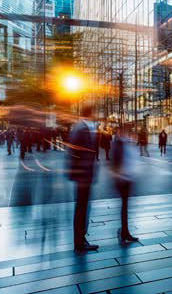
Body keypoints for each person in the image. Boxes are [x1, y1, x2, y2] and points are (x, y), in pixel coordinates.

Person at [67, 106, 100, 251]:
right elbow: (75, 152)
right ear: (90, 113)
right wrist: (81, 172)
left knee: (82, 207)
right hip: (83, 175)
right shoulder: (82, 128)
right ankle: (79, 242)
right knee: (81, 208)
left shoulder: (80, 126)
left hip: (83, 174)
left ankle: (80, 240)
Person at [110, 128, 139, 244]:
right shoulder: (120, 144)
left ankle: (125, 232)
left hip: (125, 179)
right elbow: (117, 163)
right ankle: (124, 232)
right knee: (124, 207)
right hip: (123, 180)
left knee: (125, 207)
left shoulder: (123, 144)